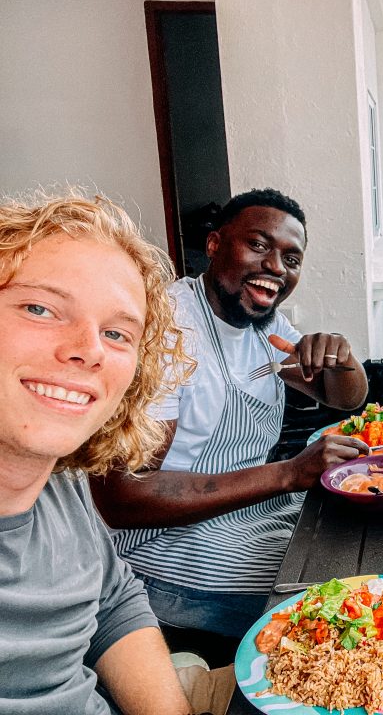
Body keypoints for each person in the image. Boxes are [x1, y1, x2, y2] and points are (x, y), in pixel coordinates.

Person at [91, 188, 370, 638]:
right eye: (258, 245)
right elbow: (124, 499)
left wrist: (344, 360)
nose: (276, 268)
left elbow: (345, 398)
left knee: (358, 545)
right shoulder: (166, 333)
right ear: (215, 244)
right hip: (163, 545)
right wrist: (288, 474)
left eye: (291, 259)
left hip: (252, 512)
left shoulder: (265, 325)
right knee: (335, 607)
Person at [0, 190, 222, 714]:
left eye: (117, 333)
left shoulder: (61, 481)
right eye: (40, 308)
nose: (89, 348)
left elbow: (114, 599)